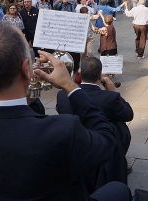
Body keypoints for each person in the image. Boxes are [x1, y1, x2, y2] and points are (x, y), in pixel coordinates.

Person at [0, 22, 131, 201]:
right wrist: (72, 88)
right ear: (26, 69)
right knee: (118, 189)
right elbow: (108, 142)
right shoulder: (62, 132)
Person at [56, 56, 133, 192]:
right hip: (102, 144)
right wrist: (114, 91)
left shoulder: (62, 95)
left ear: (80, 73)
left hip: (74, 142)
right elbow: (128, 114)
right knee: (121, 127)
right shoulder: (110, 98)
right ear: (100, 76)